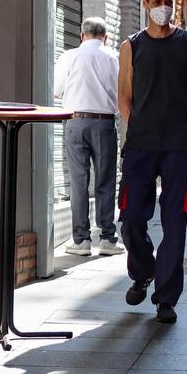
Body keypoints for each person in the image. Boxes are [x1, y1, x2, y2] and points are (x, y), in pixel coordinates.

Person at [118, 0, 187, 325]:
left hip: (176, 148)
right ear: (145, 4)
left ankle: (166, 298)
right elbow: (124, 98)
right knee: (130, 219)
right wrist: (137, 125)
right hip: (140, 146)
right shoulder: (131, 46)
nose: (162, 8)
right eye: (156, 2)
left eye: (167, 2)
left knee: (175, 222)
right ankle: (143, 271)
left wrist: (183, 124)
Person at [53, 17, 124, 257]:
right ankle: (107, 238)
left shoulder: (69, 56)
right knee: (105, 180)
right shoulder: (114, 57)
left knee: (78, 182)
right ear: (105, 36)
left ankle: (81, 241)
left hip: (75, 122)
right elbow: (122, 92)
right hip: (104, 123)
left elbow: (56, 90)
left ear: (81, 35)